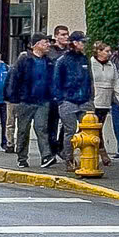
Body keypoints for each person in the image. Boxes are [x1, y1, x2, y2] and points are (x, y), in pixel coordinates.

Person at [7, 32, 54, 169]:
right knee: (23, 130)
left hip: (43, 101)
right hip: (25, 101)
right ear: (36, 44)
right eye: (45, 42)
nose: (48, 45)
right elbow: (14, 79)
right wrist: (14, 98)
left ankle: (46, 156)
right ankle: (22, 157)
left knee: (42, 128)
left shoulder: (48, 62)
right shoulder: (24, 60)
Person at [52, 30, 93, 170]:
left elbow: (89, 79)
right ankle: (68, 159)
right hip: (68, 100)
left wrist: (89, 96)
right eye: (82, 42)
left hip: (84, 99)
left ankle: (86, 158)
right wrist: (61, 100)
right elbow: (56, 82)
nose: (84, 45)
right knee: (70, 131)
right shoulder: (63, 60)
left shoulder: (84, 59)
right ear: (75, 43)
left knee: (88, 130)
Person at [89, 40, 119, 168]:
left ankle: (98, 153)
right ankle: (101, 153)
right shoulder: (91, 64)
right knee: (92, 129)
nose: (109, 53)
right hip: (93, 102)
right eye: (106, 51)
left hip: (104, 103)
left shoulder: (111, 66)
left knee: (98, 129)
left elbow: (116, 84)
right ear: (98, 52)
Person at [46, 24, 72, 155]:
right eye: (62, 35)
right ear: (56, 36)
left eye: (67, 34)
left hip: (67, 92)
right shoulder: (50, 52)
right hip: (52, 92)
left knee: (68, 122)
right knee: (52, 122)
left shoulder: (70, 52)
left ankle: (61, 146)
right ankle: (52, 148)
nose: (66, 37)